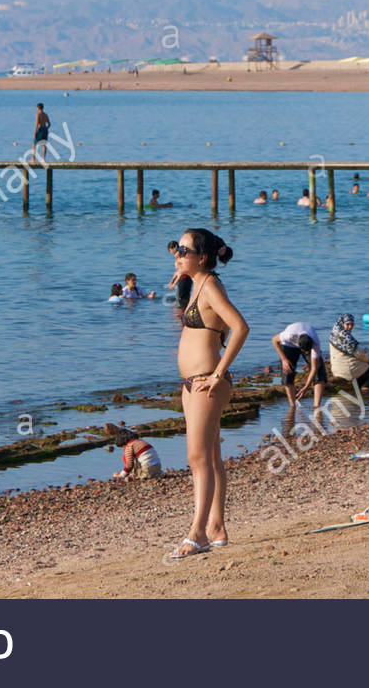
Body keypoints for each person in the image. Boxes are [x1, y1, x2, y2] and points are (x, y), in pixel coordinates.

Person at [168, 229, 247, 558]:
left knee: (197, 459)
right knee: (211, 458)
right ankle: (216, 527)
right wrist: (182, 278)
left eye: (184, 250)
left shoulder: (211, 285)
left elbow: (240, 327)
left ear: (202, 257)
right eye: (176, 248)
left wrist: (217, 373)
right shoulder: (197, 283)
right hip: (193, 384)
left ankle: (197, 533)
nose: (177, 253)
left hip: (205, 382)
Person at [272, 322, 327, 408]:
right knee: (287, 371)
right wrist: (284, 360)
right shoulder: (288, 335)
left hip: (306, 341)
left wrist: (305, 387)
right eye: (305, 351)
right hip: (289, 345)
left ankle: (316, 406)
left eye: (308, 351)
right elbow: (274, 340)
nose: (306, 353)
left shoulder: (315, 343)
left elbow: (314, 368)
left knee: (319, 371)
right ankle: (293, 405)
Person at [328, 313, 369, 393]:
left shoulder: (333, 334)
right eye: (348, 324)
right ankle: (365, 390)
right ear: (342, 324)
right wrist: (367, 359)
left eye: (352, 325)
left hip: (335, 370)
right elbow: (358, 354)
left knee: (362, 368)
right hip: (348, 370)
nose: (350, 327)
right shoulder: (345, 337)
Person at [167, 241, 192, 307]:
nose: (170, 253)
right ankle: (183, 314)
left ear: (173, 249)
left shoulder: (179, 256)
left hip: (184, 279)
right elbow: (177, 271)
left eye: (170, 251)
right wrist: (171, 281)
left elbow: (181, 272)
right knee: (180, 300)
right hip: (184, 279)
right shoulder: (179, 256)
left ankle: (183, 315)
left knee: (181, 301)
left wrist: (174, 284)